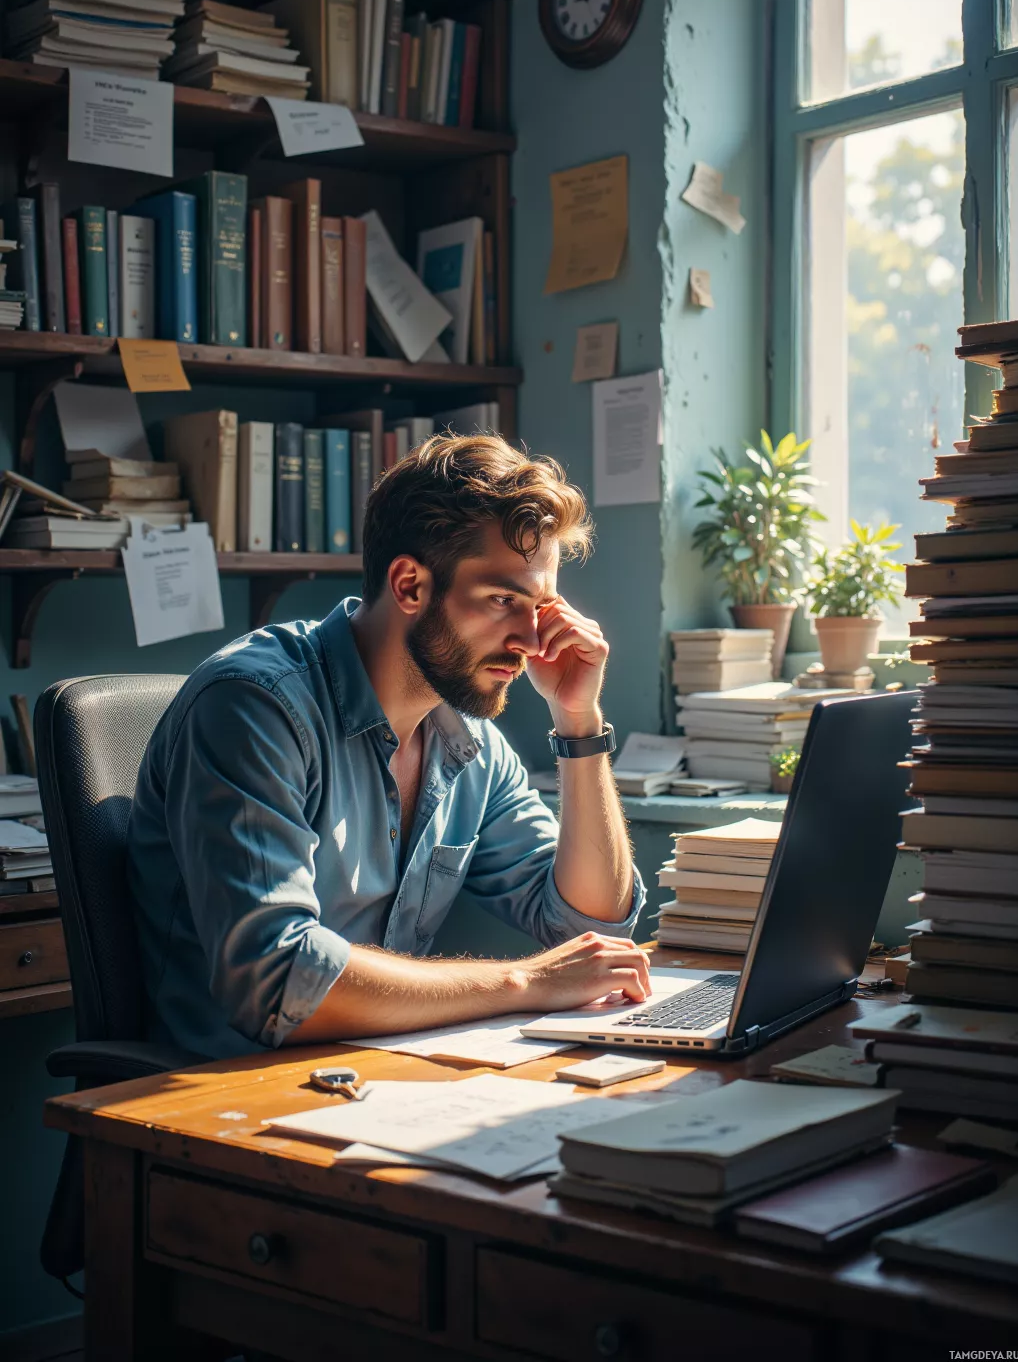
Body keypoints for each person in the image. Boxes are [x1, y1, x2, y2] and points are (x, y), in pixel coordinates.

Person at [128, 433, 650, 1060]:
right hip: (216, 1105)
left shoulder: (469, 743)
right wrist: (525, 982)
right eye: (503, 600)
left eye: (540, 607)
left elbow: (591, 929)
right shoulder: (255, 705)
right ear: (409, 586)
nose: (530, 640)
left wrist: (578, 720)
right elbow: (278, 979)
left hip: (380, 1083)